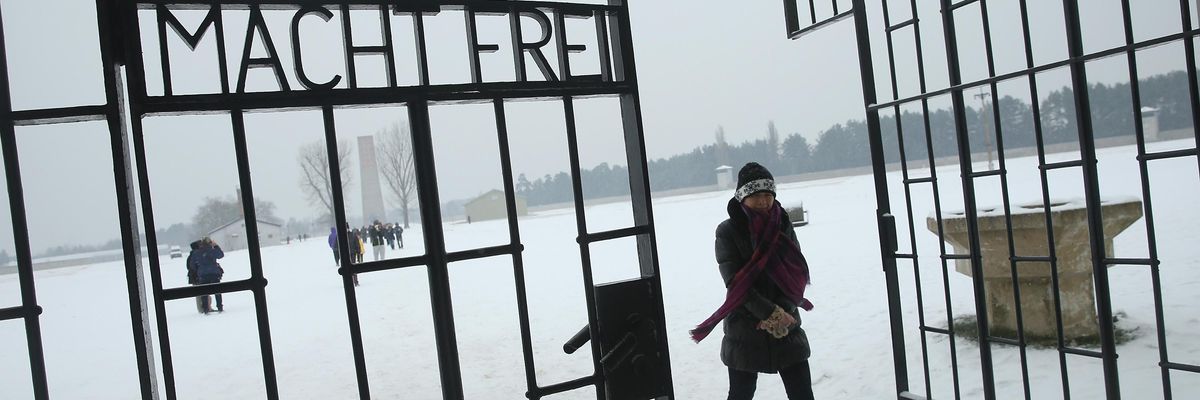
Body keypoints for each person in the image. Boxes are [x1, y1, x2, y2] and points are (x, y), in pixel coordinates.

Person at [691, 162, 815, 400]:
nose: (763, 201)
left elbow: (796, 274)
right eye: (756, 195)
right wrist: (768, 314)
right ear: (742, 198)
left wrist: (781, 312)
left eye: (768, 195)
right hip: (745, 328)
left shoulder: (783, 225)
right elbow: (736, 282)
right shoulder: (727, 231)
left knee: (802, 393)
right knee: (741, 394)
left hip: (787, 323)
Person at [193, 237, 226, 314]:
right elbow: (221, 255)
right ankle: (220, 307)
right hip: (214, 273)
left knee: (204, 292)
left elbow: (192, 265)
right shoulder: (212, 251)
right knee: (217, 291)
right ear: (210, 243)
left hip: (203, 275)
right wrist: (216, 246)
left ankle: (205, 309)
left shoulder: (197, 252)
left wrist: (198, 270)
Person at [185, 241, 205, 314]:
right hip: (196, 276)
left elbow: (188, 266)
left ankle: (203, 307)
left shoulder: (190, 256)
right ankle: (202, 308)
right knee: (200, 294)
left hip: (193, 277)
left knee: (199, 294)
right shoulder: (196, 255)